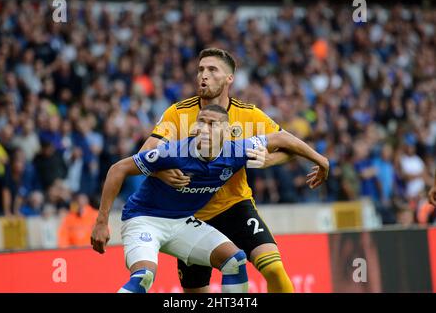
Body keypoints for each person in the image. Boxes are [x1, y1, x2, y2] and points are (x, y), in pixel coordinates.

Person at [138, 48, 323, 293]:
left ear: (229, 78)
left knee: (275, 269)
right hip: (192, 216)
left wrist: (269, 160)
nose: (203, 75)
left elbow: (288, 145)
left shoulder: (249, 115)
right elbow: (145, 154)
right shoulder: (178, 113)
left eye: (212, 70)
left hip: (235, 206)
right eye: (200, 69)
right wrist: (159, 172)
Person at [90, 104, 329, 293]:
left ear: (226, 132)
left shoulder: (236, 150)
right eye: (200, 123)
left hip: (182, 221)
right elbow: (117, 169)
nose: (204, 129)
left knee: (235, 260)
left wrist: (321, 161)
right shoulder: (173, 152)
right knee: (144, 277)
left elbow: (282, 139)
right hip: (144, 219)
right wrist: (102, 221)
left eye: (212, 124)